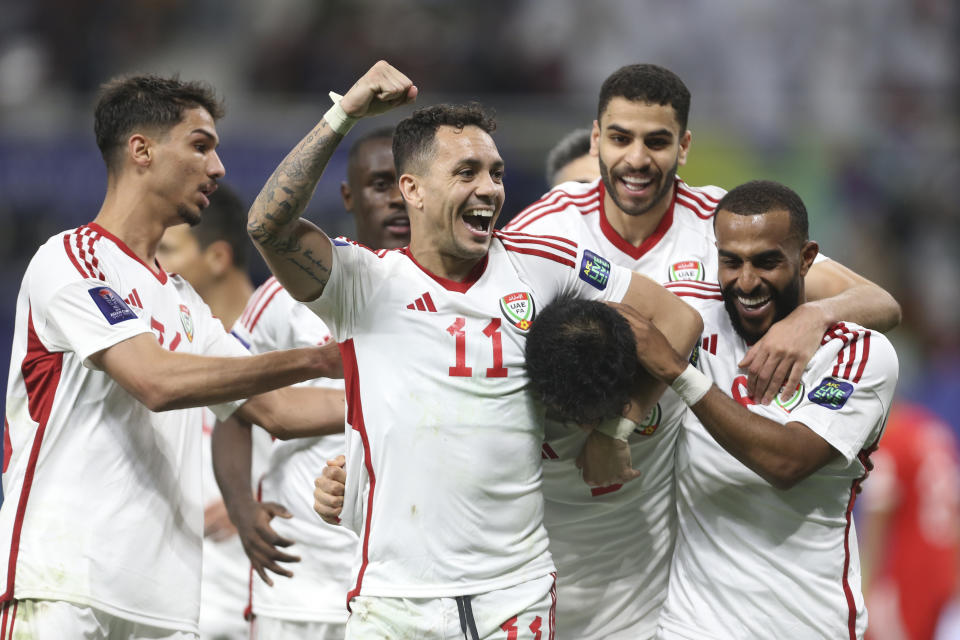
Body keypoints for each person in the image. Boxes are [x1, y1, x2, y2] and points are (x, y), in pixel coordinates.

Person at [247, 60, 702, 639]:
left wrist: (616, 429)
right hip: (395, 601)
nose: (489, 188)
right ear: (410, 188)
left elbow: (676, 319)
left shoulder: (542, 263)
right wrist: (344, 114)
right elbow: (268, 226)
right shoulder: (361, 282)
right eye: (466, 172)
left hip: (514, 596)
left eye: (496, 171)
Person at [501, 63, 902, 640]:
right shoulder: (548, 229)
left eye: (657, 141)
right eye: (620, 138)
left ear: (684, 146)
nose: (637, 159)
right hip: (571, 519)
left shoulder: (724, 226)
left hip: (674, 572)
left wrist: (814, 314)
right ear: (595, 139)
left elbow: (879, 301)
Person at [0, 74, 344, 639]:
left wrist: (385, 385)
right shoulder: (71, 259)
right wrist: (312, 360)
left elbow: (278, 411)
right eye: (201, 145)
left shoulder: (185, 302)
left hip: (165, 605)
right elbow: (154, 381)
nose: (218, 168)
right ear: (141, 150)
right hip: (64, 585)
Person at [614, 180, 895, 639]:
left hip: (806, 625)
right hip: (691, 625)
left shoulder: (860, 355)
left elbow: (787, 462)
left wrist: (678, 372)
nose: (746, 282)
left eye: (767, 262)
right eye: (732, 262)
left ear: (806, 259)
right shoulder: (693, 319)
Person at [212, 127, 408, 640]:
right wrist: (239, 503)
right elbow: (229, 402)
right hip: (299, 578)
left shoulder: (455, 295)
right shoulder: (282, 296)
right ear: (349, 196)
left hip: (403, 582)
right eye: (379, 184)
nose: (395, 200)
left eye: (404, 185)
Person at [155, 183, 274, 640]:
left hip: (275, 595)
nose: (154, 266)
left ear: (218, 258)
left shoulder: (292, 339)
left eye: (167, 249)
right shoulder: (154, 348)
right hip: (182, 598)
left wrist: (246, 498)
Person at [859, 402, 960, 640]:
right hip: (947, 566)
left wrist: (868, 584)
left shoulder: (892, 442)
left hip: (907, 576)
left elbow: (878, 516)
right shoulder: (933, 430)